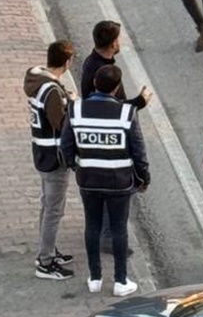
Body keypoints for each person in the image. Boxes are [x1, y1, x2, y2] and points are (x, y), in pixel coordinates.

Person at [62, 64, 149, 296]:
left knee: (92, 226)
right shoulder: (126, 113)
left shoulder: (76, 109)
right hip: (119, 182)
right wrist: (143, 178)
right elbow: (138, 151)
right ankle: (120, 280)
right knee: (119, 229)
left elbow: (66, 146)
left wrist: (76, 166)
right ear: (116, 87)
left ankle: (95, 278)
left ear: (94, 84)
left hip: (88, 180)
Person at [23, 40, 76, 280]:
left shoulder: (37, 82)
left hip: (41, 152)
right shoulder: (52, 91)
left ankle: (49, 250)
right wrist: (73, 104)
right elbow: (61, 124)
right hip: (54, 156)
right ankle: (45, 261)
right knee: (54, 209)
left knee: (47, 205)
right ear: (67, 62)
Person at [80, 20, 153, 108]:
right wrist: (139, 102)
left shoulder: (92, 61)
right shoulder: (104, 73)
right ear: (114, 44)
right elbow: (108, 107)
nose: (121, 41)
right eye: (119, 38)